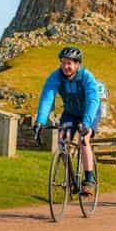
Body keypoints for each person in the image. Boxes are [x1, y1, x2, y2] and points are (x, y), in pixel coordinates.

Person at [33, 47, 101, 196]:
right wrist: (40, 122)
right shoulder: (56, 76)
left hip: (89, 112)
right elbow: (47, 97)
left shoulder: (86, 77)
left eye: (69, 63)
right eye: (63, 63)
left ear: (78, 64)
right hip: (70, 112)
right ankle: (70, 176)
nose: (65, 67)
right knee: (62, 141)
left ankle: (89, 179)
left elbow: (93, 100)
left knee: (84, 139)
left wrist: (87, 123)